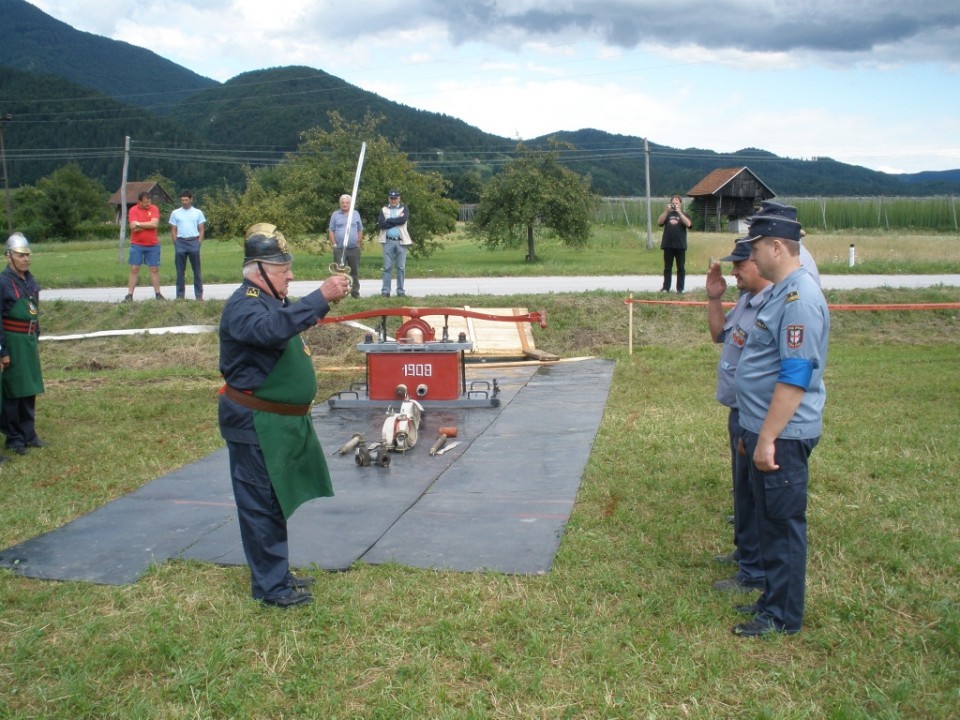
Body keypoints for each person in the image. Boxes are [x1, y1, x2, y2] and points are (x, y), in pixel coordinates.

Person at [218, 222, 349, 608]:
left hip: (276, 422)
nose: (290, 275)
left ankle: (276, 574)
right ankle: (270, 587)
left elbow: (288, 319)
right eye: (282, 269)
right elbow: (272, 330)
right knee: (259, 504)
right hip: (254, 422)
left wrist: (326, 298)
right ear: (258, 271)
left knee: (272, 500)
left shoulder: (271, 300)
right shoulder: (244, 305)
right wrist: (320, 296)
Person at [732, 214, 830, 637]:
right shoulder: (781, 294)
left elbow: (795, 375)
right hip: (764, 427)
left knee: (783, 523)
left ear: (776, 246)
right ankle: (772, 597)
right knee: (769, 520)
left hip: (783, 435)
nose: (749, 255)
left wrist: (767, 437)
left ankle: (783, 616)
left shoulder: (800, 299)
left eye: (754, 247)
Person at [706, 240, 773, 594]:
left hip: (756, 414)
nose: (732, 272)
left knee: (756, 493)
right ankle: (745, 552)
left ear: (761, 262)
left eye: (739, 265)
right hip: (739, 411)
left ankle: (755, 572)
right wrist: (714, 298)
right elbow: (719, 334)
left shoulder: (774, 306)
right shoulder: (748, 300)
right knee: (743, 490)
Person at [0, 233, 47, 458]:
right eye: (20, 255)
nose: (25, 259)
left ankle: (29, 433)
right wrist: (3, 349)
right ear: (9, 257)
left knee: (29, 389)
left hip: (28, 342)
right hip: (12, 341)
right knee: (13, 392)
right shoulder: (3, 282)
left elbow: (33, 310)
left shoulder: (30, 280)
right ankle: (15, 438)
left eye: (27, 255)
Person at [751, 200, 821, 287]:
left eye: (755, 250)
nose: (751, 258)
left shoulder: (797, 260)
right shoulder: (794, 257)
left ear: (776, 248)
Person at [125, 191, 165, 301]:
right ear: (140, 202)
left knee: (154, 268)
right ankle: (129, 295)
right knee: (134, 268)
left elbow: (154, 224)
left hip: (153, 244)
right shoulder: (133, 210)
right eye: (146, 202)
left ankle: (158, 294)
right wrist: (147, 225)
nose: (148, 204)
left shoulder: (154, 209)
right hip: (137, 244)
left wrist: (139, 224)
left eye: (149, 201)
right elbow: (134, 228)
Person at [168, 191, 206, 300]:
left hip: (194, 241)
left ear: (191, 199)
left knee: (197, 271)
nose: (184, 202)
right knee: (180, 271)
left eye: (186, 200)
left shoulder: (197, 212)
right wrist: (176, 242)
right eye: (182, 200)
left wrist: (199, 242)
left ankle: (199, 296)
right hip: (181, 241)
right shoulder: (175, 213)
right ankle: (180, 296)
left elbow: (201, 228)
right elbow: (173, 229)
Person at [378, 189, 412, 297]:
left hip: (401, 241)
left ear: (399, 198)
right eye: (391, 198)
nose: (393, 200)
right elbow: (382, 224)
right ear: (389, 198)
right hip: (388, 241)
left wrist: (389, 220)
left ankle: (400, 291)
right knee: (387, 267)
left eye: (395, 198)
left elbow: (403, 220)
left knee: (401, 267)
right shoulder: (383, 209)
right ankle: (385, 291)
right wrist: (395, 220)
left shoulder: (404, 208)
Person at [328, 194, 363, 298]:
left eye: (347, 202)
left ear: (350, 203)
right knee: (339, 272)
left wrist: (358, 242)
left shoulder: (355, 214)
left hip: (353, 249)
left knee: (354, 271)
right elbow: (331, 230)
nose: (344, 204)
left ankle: (355, 293)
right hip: (339, 248)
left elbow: (360, 229)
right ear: (340, 204)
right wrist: (334, 244)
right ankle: (339, 295)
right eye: (342, 203)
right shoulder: (335, 215)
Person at [657, 194, 692, 293]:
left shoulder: (684, 214)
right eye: (673, 203)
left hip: (680, 246)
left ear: (680, 204)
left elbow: (689, 224)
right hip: (668, 245)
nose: (674, 205)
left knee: (681, 268)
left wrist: (679, 212)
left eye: (676, 203)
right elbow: (659, 222)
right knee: (667, 268)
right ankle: (666, 288)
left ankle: (680, 289)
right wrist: (666, 211)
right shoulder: (667, 215)